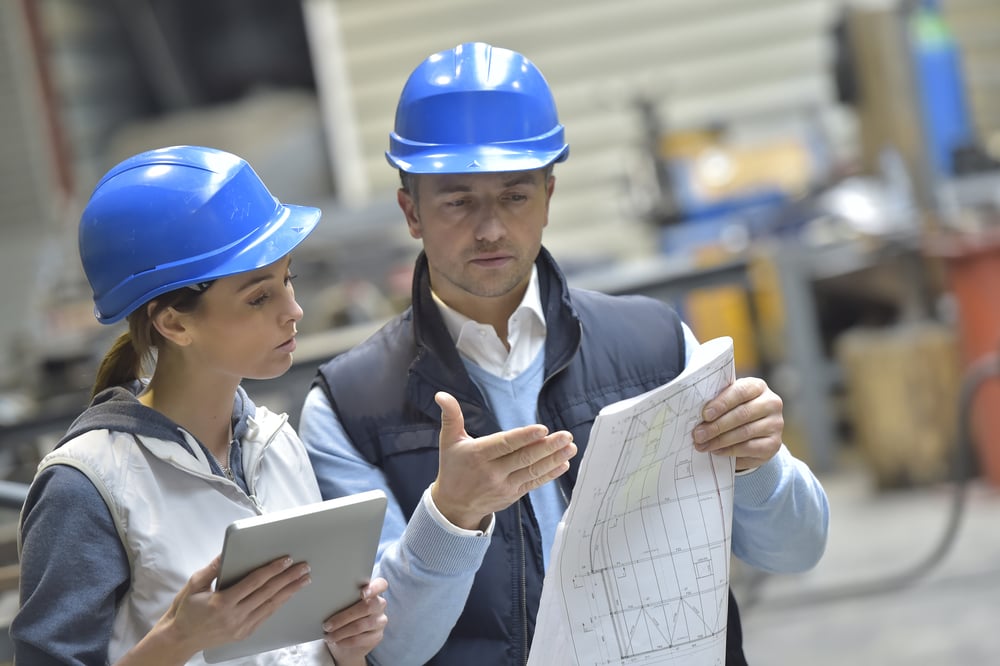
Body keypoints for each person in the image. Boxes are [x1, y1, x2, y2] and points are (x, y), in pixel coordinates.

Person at [298, 42, 830, 666]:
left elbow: (797, 552)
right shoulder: (348, 408)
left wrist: (758, 465)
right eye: (458, 200)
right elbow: (388, 651)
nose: (491, 227)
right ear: (410, 211)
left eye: (515, 196)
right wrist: (451, 516)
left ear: (549, 195)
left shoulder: (659, 347)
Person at [12, 145, 388, 666]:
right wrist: (178, 639)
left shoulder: (277, 442)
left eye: (288, 280)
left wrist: (345, 648)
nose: (295, 311)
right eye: (259, 297)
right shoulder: (86, 487)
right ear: (174, 323)